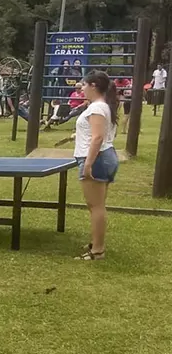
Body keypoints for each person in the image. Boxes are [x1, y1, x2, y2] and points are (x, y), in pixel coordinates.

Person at [72, 70, 120, 261]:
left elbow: (98, 137)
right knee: (95, 206)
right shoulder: (100, 107)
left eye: (84, 85)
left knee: (96, 206)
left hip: (97, 158)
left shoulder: (97, 108)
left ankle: (98, 251)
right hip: (103, 156)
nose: (82, 88)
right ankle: (96, 242)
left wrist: (88, 164)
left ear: (93, 86)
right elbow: (97, 132)